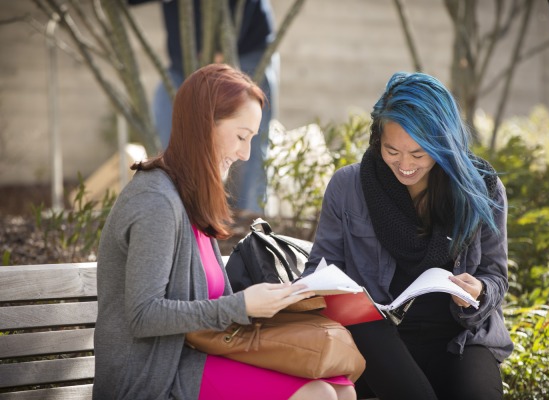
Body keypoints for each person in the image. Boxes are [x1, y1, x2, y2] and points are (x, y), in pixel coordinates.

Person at [92, 64, 356, 400]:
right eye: (241, 136)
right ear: (205, 125)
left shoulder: (189, 197)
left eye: (252, 139)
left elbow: (213, 305)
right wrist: (241, 304)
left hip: (194, 359)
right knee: (318, 395)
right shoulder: (155, 200)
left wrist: (279, 300)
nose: (245, 153)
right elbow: (144, 315)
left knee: (339, 388)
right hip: (154, 377)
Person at [303, 72, 513, 400]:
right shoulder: (349, 187)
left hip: (459, 338)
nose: (404, 165)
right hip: (377, 339)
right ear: (378, 140)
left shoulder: (481, 189)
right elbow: (318, 273)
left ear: (444, 144)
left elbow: (496, 275)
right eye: (392, 151)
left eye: (418, 154)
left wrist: (480, 290)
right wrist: (342, 295)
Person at [129, 0, 278, 215]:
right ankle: (186, 215)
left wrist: (222, 48)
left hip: (245, 46)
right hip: (183, 57)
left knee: (248, 154)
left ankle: (249, 228)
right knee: (168, 127)